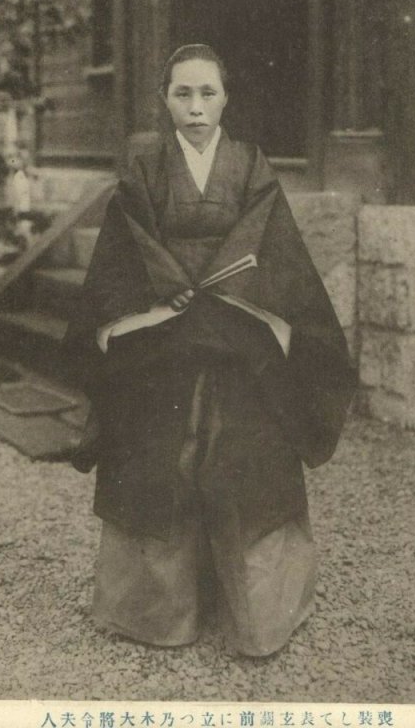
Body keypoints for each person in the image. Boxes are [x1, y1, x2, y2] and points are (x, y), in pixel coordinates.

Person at [65, 44, 356, 657]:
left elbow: (265, 239)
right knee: (158, 460)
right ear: (165, 99)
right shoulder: (143, 168)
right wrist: (173, 287)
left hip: (236, 326)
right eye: (182, 94)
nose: (195, 108)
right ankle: (156, 614)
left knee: (244, 459)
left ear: (226, 99)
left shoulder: (251, 164)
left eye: (207, 94)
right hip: (161, 328)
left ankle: (256, 614)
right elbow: (131, 238)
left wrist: (215, 289)